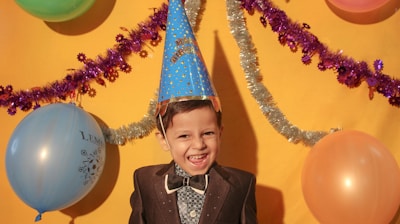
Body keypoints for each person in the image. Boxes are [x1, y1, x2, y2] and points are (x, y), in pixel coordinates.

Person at [129, 0, 257, 223]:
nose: (198, 145)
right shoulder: (145, 181)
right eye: (184, 135)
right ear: (163, 139)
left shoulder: (242, 185)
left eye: (207, 133)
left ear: (220, 132)